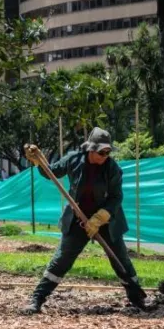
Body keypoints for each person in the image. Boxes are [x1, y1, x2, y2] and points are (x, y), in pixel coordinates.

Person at [20, 127, 147, 314]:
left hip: (106, 222)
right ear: (90, 149)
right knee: (62, 259)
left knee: (120, 259)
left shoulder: (112, 168)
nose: (105, 155)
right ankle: (37, 299)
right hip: (77, 220)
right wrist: (38, 160)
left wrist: (100, 217)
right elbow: (51, 173)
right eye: (101, 151)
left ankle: (138, 300)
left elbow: (116, 197)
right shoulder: (74, 159)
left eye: (108, 151)